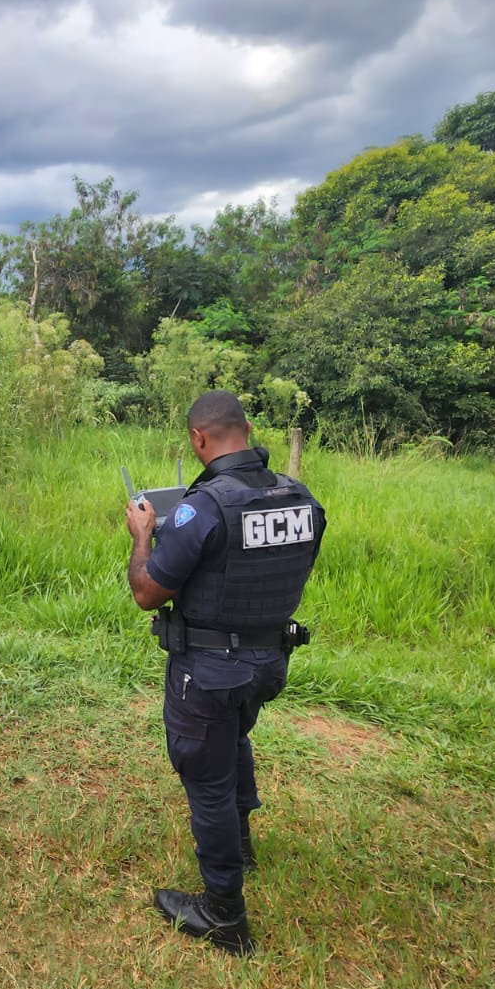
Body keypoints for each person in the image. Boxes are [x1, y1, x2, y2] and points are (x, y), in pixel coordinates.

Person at [124, 390, 327, 955]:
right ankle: (241, 844)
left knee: (206, 778)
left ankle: (223, 913)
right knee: (233, 740)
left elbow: (147, 591)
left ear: (198, 440)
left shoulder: (202, 508)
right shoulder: (301, 497)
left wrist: (144, 535)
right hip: (268, 663)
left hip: (209, 671)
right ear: (247, 427)